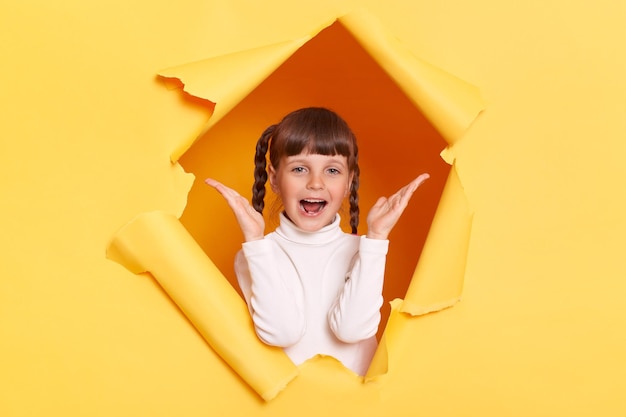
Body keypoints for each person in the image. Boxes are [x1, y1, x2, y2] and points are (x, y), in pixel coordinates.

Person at [206, 107, 428, 376]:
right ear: (274, 178)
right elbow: (281, 333)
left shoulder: (366, 251)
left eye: (332, 170)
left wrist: (377, 239)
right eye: (300, 168)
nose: (315, 183)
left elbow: (352, 329)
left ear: (349, 182)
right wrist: (254, 242)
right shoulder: (256, 254)